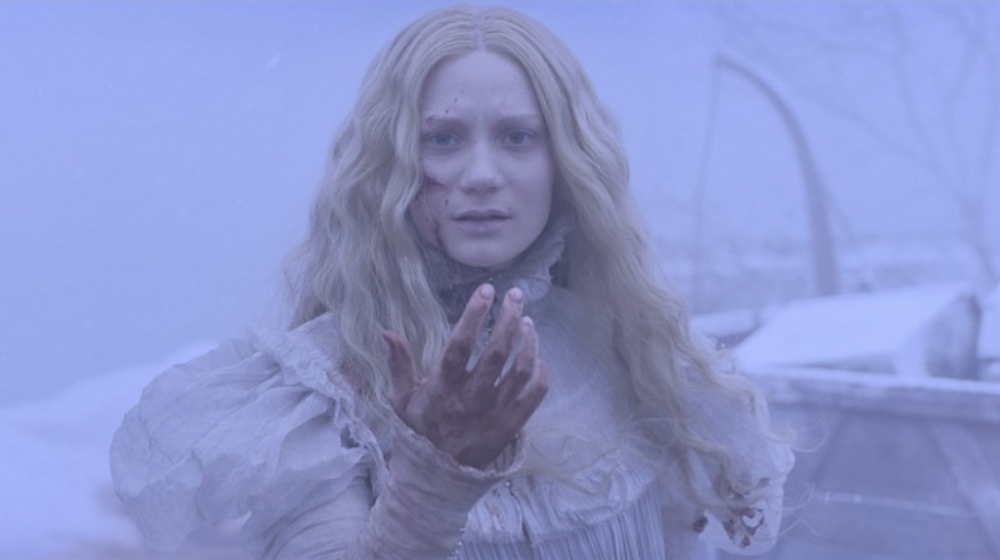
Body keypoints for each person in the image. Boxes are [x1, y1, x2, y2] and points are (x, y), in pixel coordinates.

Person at [110, 5, 793, 559]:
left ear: (566, 162)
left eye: (517, 137)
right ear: (389, 164)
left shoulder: (638, 360)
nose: (482, 175)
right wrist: (430, 481)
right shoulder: (323, 392)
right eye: (443, 139)